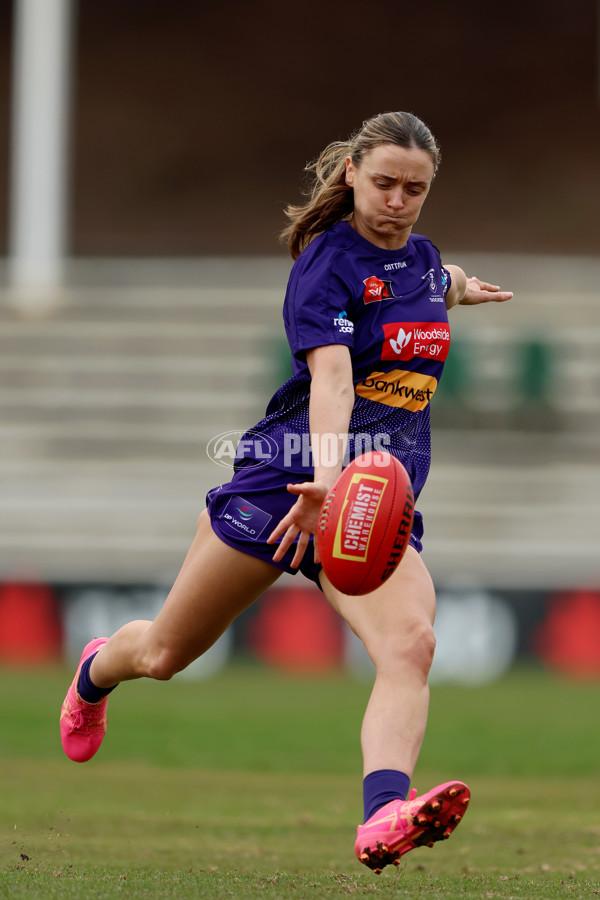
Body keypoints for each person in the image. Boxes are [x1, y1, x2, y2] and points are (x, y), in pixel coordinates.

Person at [60, 111, 512, 874]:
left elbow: (434, 283)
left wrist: (463, 290)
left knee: (411, 645)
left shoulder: (427, 263)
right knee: (167, 653)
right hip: (289, 481)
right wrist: (323, 484)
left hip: (370, 500)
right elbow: (332, 382)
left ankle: (384, 815)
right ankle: (98, 669)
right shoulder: (325, 265)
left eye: (415, 189)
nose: (398, 200)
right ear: (350, 175)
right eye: (384, 184)